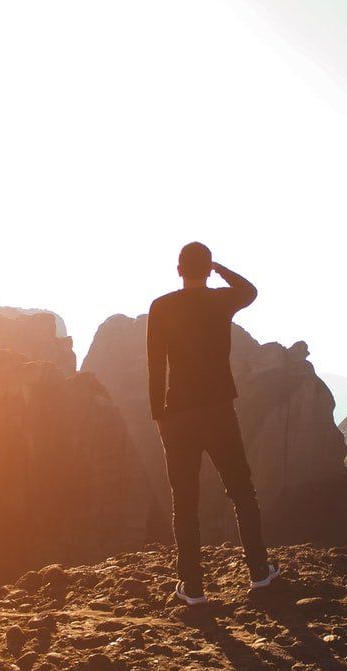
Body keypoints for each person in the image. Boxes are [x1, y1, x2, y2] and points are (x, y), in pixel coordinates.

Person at [147, 242, 281, 605]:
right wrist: (220, 269)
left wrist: (159, 416)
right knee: (242, 491)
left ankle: (192, 587)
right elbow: (249, 291)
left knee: (185, 501)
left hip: (177, 415)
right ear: (207, 270)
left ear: (178, 270)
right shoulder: (221, 300)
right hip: (219, 411)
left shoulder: (161, 306)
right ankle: (259, 572)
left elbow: (156, 365)